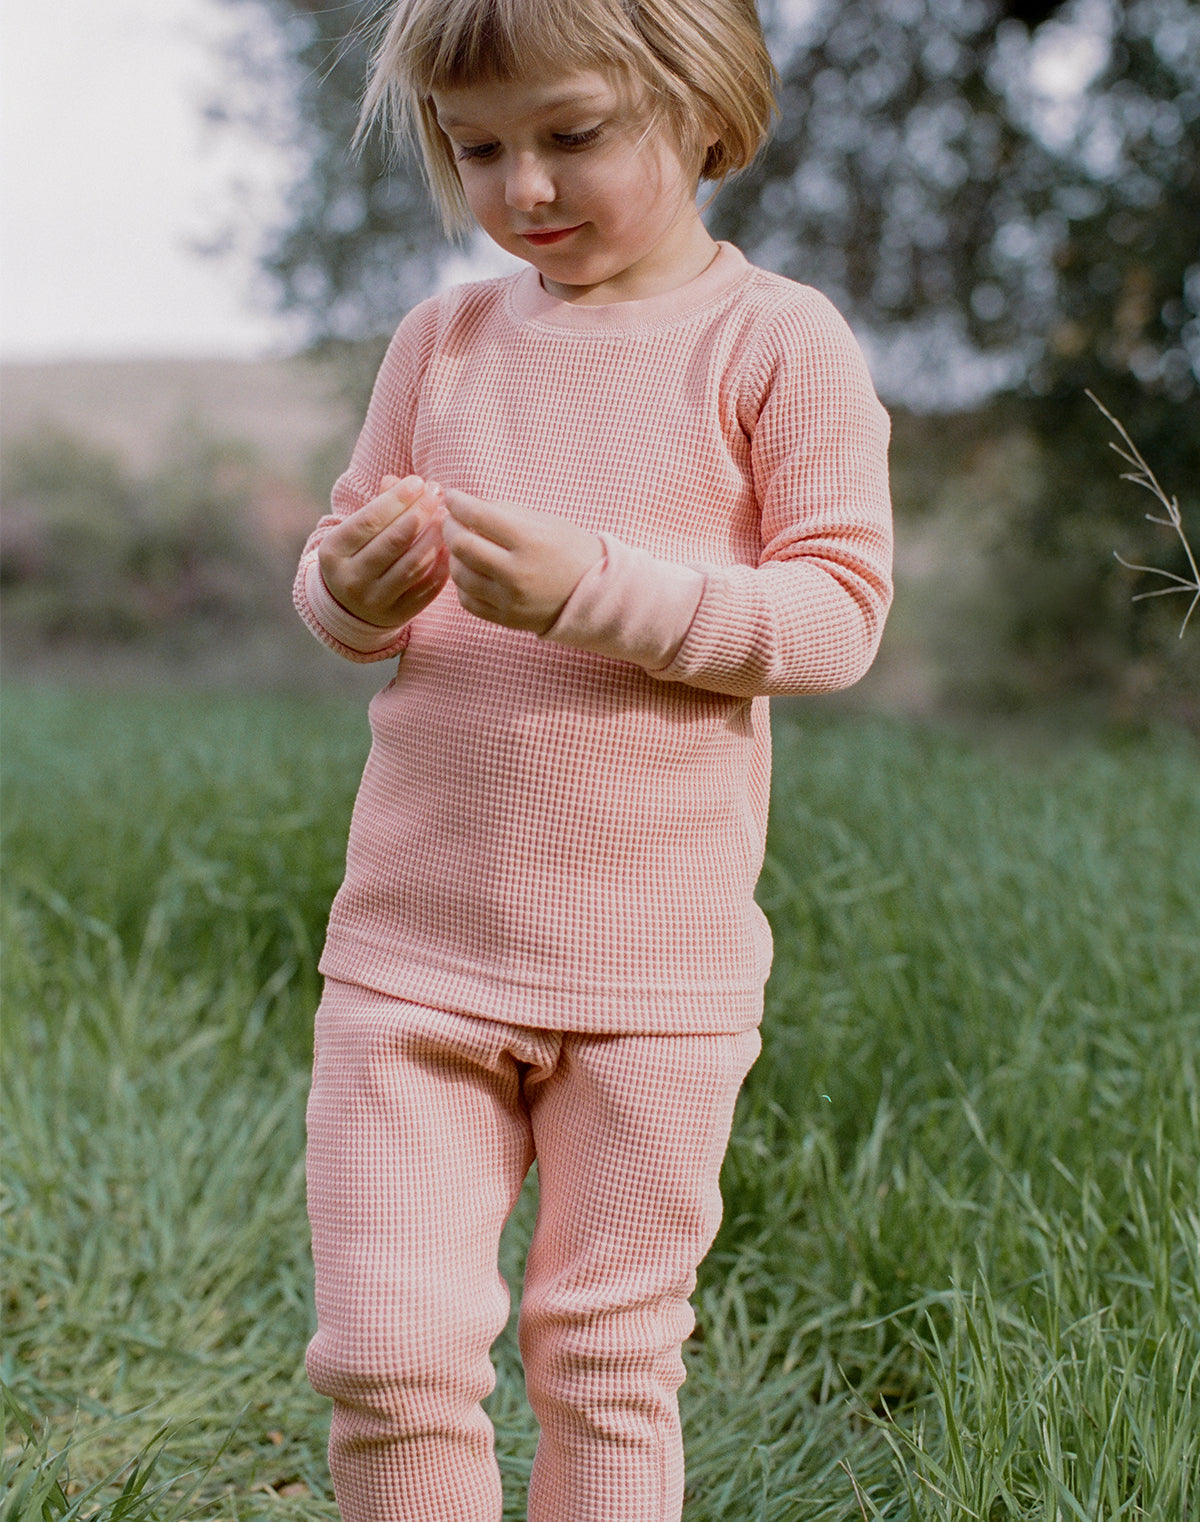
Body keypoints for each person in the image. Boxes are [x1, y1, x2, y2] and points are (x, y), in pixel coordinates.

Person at [294, 0, 893, 1517]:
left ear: (704, 111)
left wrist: (590, 591)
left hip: (657, 984)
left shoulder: (777, 343)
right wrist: (348, 590)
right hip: (414, 956)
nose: (523, 191)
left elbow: (834, 616)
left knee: (609, 1358)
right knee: (387, 1353)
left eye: (570, 136)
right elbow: (338, 562)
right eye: (475, 147)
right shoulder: (443, 340)